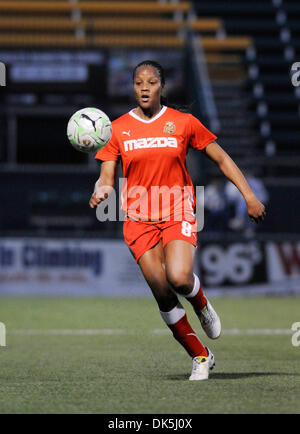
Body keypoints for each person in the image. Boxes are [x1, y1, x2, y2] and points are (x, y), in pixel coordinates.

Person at [89, 60, 266, 381]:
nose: (144, 87)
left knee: (181, 278)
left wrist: (249, 196)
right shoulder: (116, 129)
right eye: (139, 82)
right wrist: (102, 190)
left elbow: (222, 158)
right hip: (138, 217)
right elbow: (106, 176)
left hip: (177, 209)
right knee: (163, 291)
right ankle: (200, 356)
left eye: (151, 82)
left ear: (162, 87)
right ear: (133, 87)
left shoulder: (183, 122)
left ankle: (201, 304)